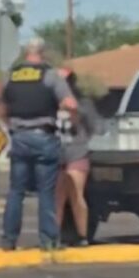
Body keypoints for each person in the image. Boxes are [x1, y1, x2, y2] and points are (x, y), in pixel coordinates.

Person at [0, 38, 78, 251]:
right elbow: (71, 104)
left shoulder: (11, 75)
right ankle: (48, 241)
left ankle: (9, 240)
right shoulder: (51, 75)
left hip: (19, 137)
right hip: (44, 136)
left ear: (26, 53)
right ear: (43, 53)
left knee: (16, 191)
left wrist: (10, 128)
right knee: (46, 192)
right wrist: (72, 117)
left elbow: (1, 106)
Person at [56, 69, 99, 247]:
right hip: (55, 154)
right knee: (57, 197)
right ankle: (54, 235)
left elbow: (93, 127)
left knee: (76, 195)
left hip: (77, 152)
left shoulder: (83, 103)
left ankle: (82, 235)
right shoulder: (48, 103)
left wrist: (75, 113)